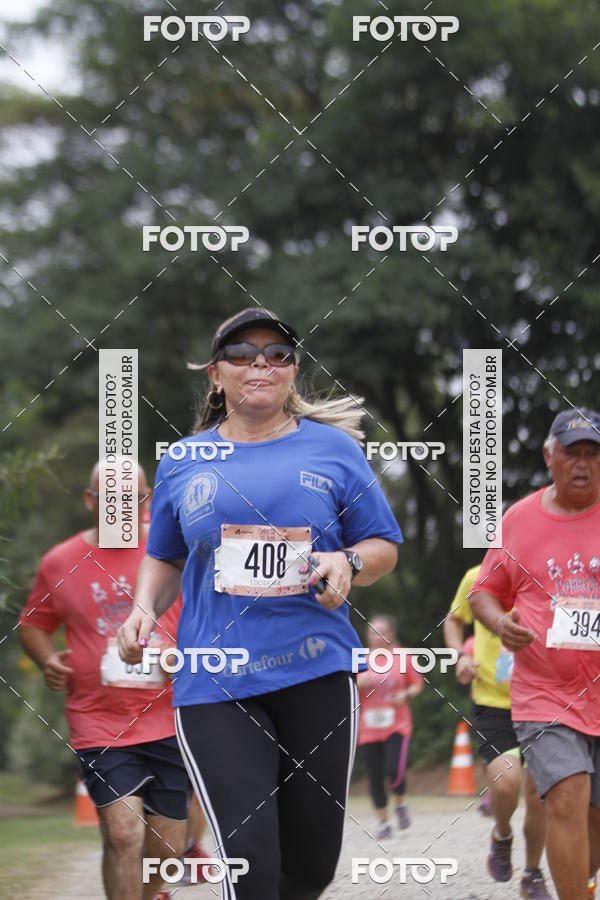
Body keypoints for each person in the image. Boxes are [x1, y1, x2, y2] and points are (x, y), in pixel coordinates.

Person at [117, 307, 403, 900]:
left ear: (293, 373)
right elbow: (164, 558)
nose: (261, 365)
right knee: (251, 858)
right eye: (242, 354)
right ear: (215, 376)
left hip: (316, 669)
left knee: (310, 865)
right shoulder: (183, 460)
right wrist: (144, 606)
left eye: (277, 355)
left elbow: (383, 546)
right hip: (215, 682)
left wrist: (346, 562)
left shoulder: (335, 450)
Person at [19, 462, 191, 900]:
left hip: (174, 714)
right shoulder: (59, 562)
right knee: (121, 834)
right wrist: (45, 661)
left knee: (168, 846)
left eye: (129, 499)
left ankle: (154, 893)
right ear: (89, 500)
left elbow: (214, 616)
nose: (118, 509)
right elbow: (33, 623)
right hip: (100, 722)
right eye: (108, 500)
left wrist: (189, 655)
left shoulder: (177, 551)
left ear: (146, 500)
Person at [470, 408, 600, 900]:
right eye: (572, 452)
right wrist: (501, 622)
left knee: (592, 819)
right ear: (550, 457)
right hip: (546, 693)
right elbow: (483, 592)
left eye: (593, 453)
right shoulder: (520, 520)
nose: (582, 463)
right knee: (567, 798)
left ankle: (582, 881)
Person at [445, 566, 550, 898]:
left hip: (544, 699)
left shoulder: (550, 573)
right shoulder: (477, 575)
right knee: (506, 783)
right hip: (493, 700)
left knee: (539, 796)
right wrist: (460, 656)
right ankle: (502, 836)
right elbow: (453, 620)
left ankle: (532, 874)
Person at [357, 614, 423, 840]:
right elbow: (347, 691)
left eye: (381, 631)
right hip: (369, 727)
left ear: (391, 634)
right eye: (372, 632)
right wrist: (357, 683)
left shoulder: (402, 656)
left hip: (397, 723)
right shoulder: (360, 659)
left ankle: (401, 803)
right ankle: (383, 822)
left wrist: (405, 695)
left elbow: (417, 685)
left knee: (393, 769)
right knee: (374, 776)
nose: (377, 637)